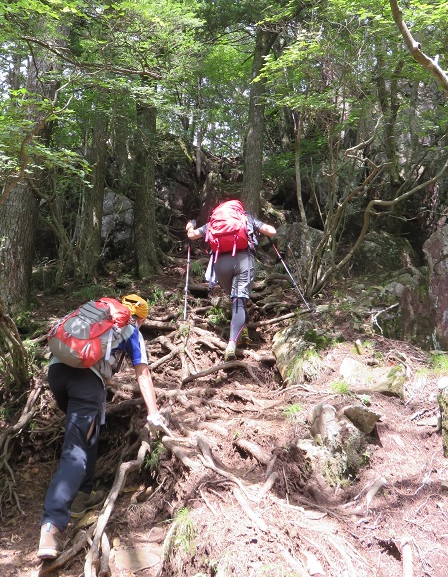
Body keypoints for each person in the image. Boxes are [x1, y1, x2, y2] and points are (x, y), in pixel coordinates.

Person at [38, 293, 166, 560]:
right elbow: (143, 374)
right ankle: (51, 526)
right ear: (140, 318)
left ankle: (82, 495)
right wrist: (153, 414)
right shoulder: (131, 330)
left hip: (57, 373)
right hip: (86, 382)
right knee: (76, 452)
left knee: (88, 434)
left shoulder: (96, 314)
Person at [186, 203, 277, 362]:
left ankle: (242, 330)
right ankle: (232, 344)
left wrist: (189, 226)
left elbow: (192, 235)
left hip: (221, 265)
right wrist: (257, 228)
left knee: (234, 298)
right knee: (238, 301)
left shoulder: (214, 223)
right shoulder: (246, 218)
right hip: (243, 260)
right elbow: (272, 231)